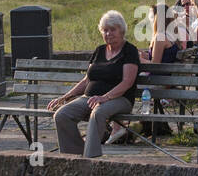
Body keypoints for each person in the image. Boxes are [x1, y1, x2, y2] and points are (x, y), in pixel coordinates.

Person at [49, 11, 140, 158]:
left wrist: (105, 97)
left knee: (98, 112)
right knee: (62, 114)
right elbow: (87, 80)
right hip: (90, 98)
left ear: (121, 30)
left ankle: (90, 158)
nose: (108, 33)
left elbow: (127, 82)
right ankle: (74, 155)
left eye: (112, 29)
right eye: (105, 30)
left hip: (119, 99)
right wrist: (66, 96)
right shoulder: (99, 50)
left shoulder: (129, 50)